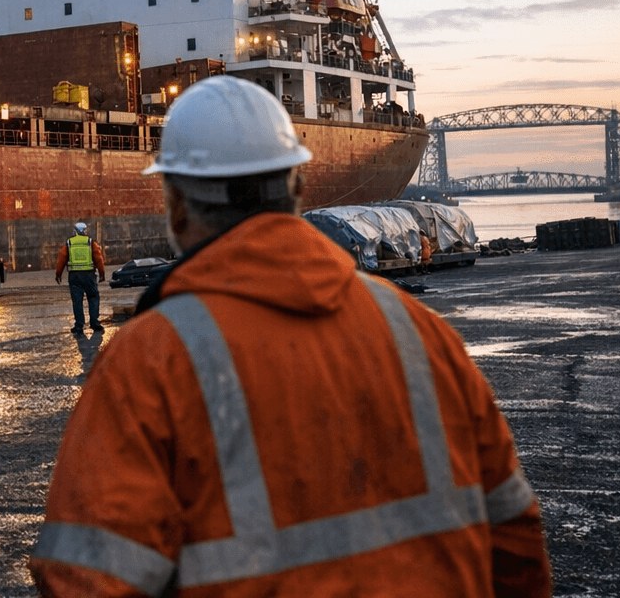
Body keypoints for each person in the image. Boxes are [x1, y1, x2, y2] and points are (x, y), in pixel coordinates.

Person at [31, 76, 550, 596]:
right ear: (298, 188)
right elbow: (516, 541)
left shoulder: (150, 363)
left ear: (177, 204)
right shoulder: (420, 332)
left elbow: (85, 579)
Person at [55, 221, 107, 334]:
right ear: (85, 231)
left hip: (74, 276)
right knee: (93, 297)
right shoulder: (90, 242)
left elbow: (61, 259)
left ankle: (79, 325)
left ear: (75, 231)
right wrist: (102, 273)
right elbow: (98, 258)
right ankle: (94, 323)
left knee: (77, 301)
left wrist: (58, 274)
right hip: (89, 275)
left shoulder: (69, 243)